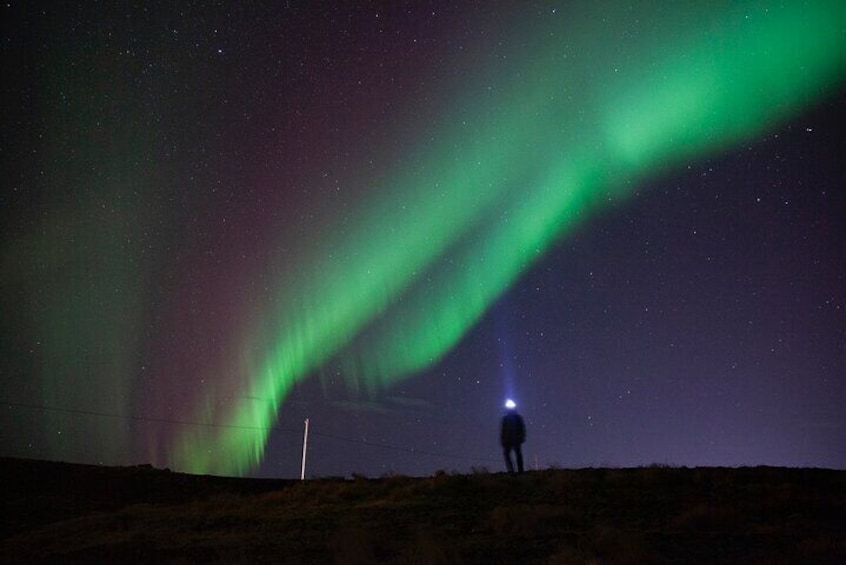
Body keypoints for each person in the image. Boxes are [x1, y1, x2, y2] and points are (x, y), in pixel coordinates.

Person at [500, 400, 525, 473]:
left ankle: (519, 470)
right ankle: (512, 470)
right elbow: (503, 430)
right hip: (509, 439)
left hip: (516, 439)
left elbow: (522, 428)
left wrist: (522, 437)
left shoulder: (518, 418)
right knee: (508, 454)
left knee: (517, 454)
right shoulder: (505, 419)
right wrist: (503, 439)